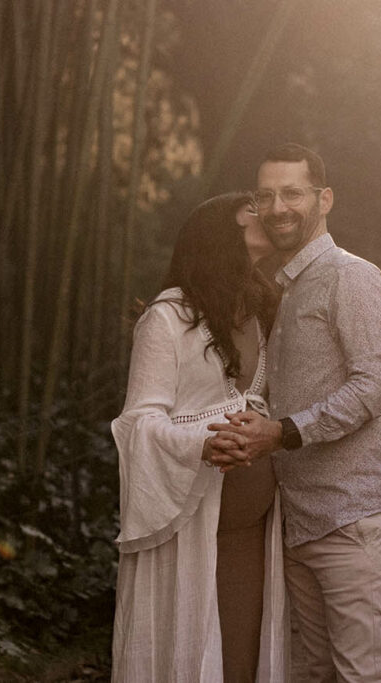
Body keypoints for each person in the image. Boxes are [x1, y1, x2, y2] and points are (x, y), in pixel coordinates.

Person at [207, 144, 381, 681]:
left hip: (352, 515)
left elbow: (374, 385)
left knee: (364, 675)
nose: (278, 207)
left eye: (292, 193)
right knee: (318, 673)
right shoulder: (279, 288)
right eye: (266, 195)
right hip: (299, 521)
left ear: (324, 199)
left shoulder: (352, 276)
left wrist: (283, 432)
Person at [111, 192, 288, 683]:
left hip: (252, 527)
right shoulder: (167, 318)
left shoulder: (261, 311)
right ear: (220, 232)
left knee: (241, 655)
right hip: (189, 523)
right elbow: (139, 423)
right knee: (192, 654)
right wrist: (203, 446)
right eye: (253, 209)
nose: (268, 213)